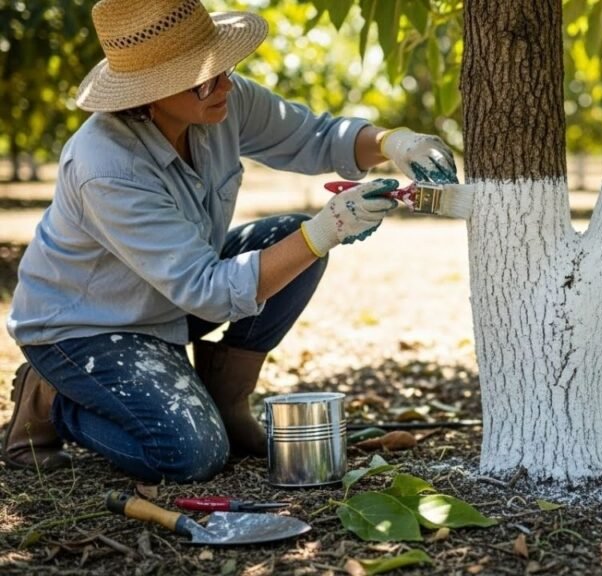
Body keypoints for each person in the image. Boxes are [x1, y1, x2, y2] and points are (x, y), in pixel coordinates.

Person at [1, 0, 457, 483]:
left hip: (169, 299)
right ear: (148, 93)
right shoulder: (107, 166)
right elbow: (208, 290)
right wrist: (328, 229)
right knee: (189, 455)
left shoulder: (220, 100)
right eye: (203, 79)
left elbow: (314, 136)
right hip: (86, 327)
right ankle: (55, 401)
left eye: (224, 67)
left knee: (287, 237)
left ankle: (226, 399)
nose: (224, 85)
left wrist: (394, 142)